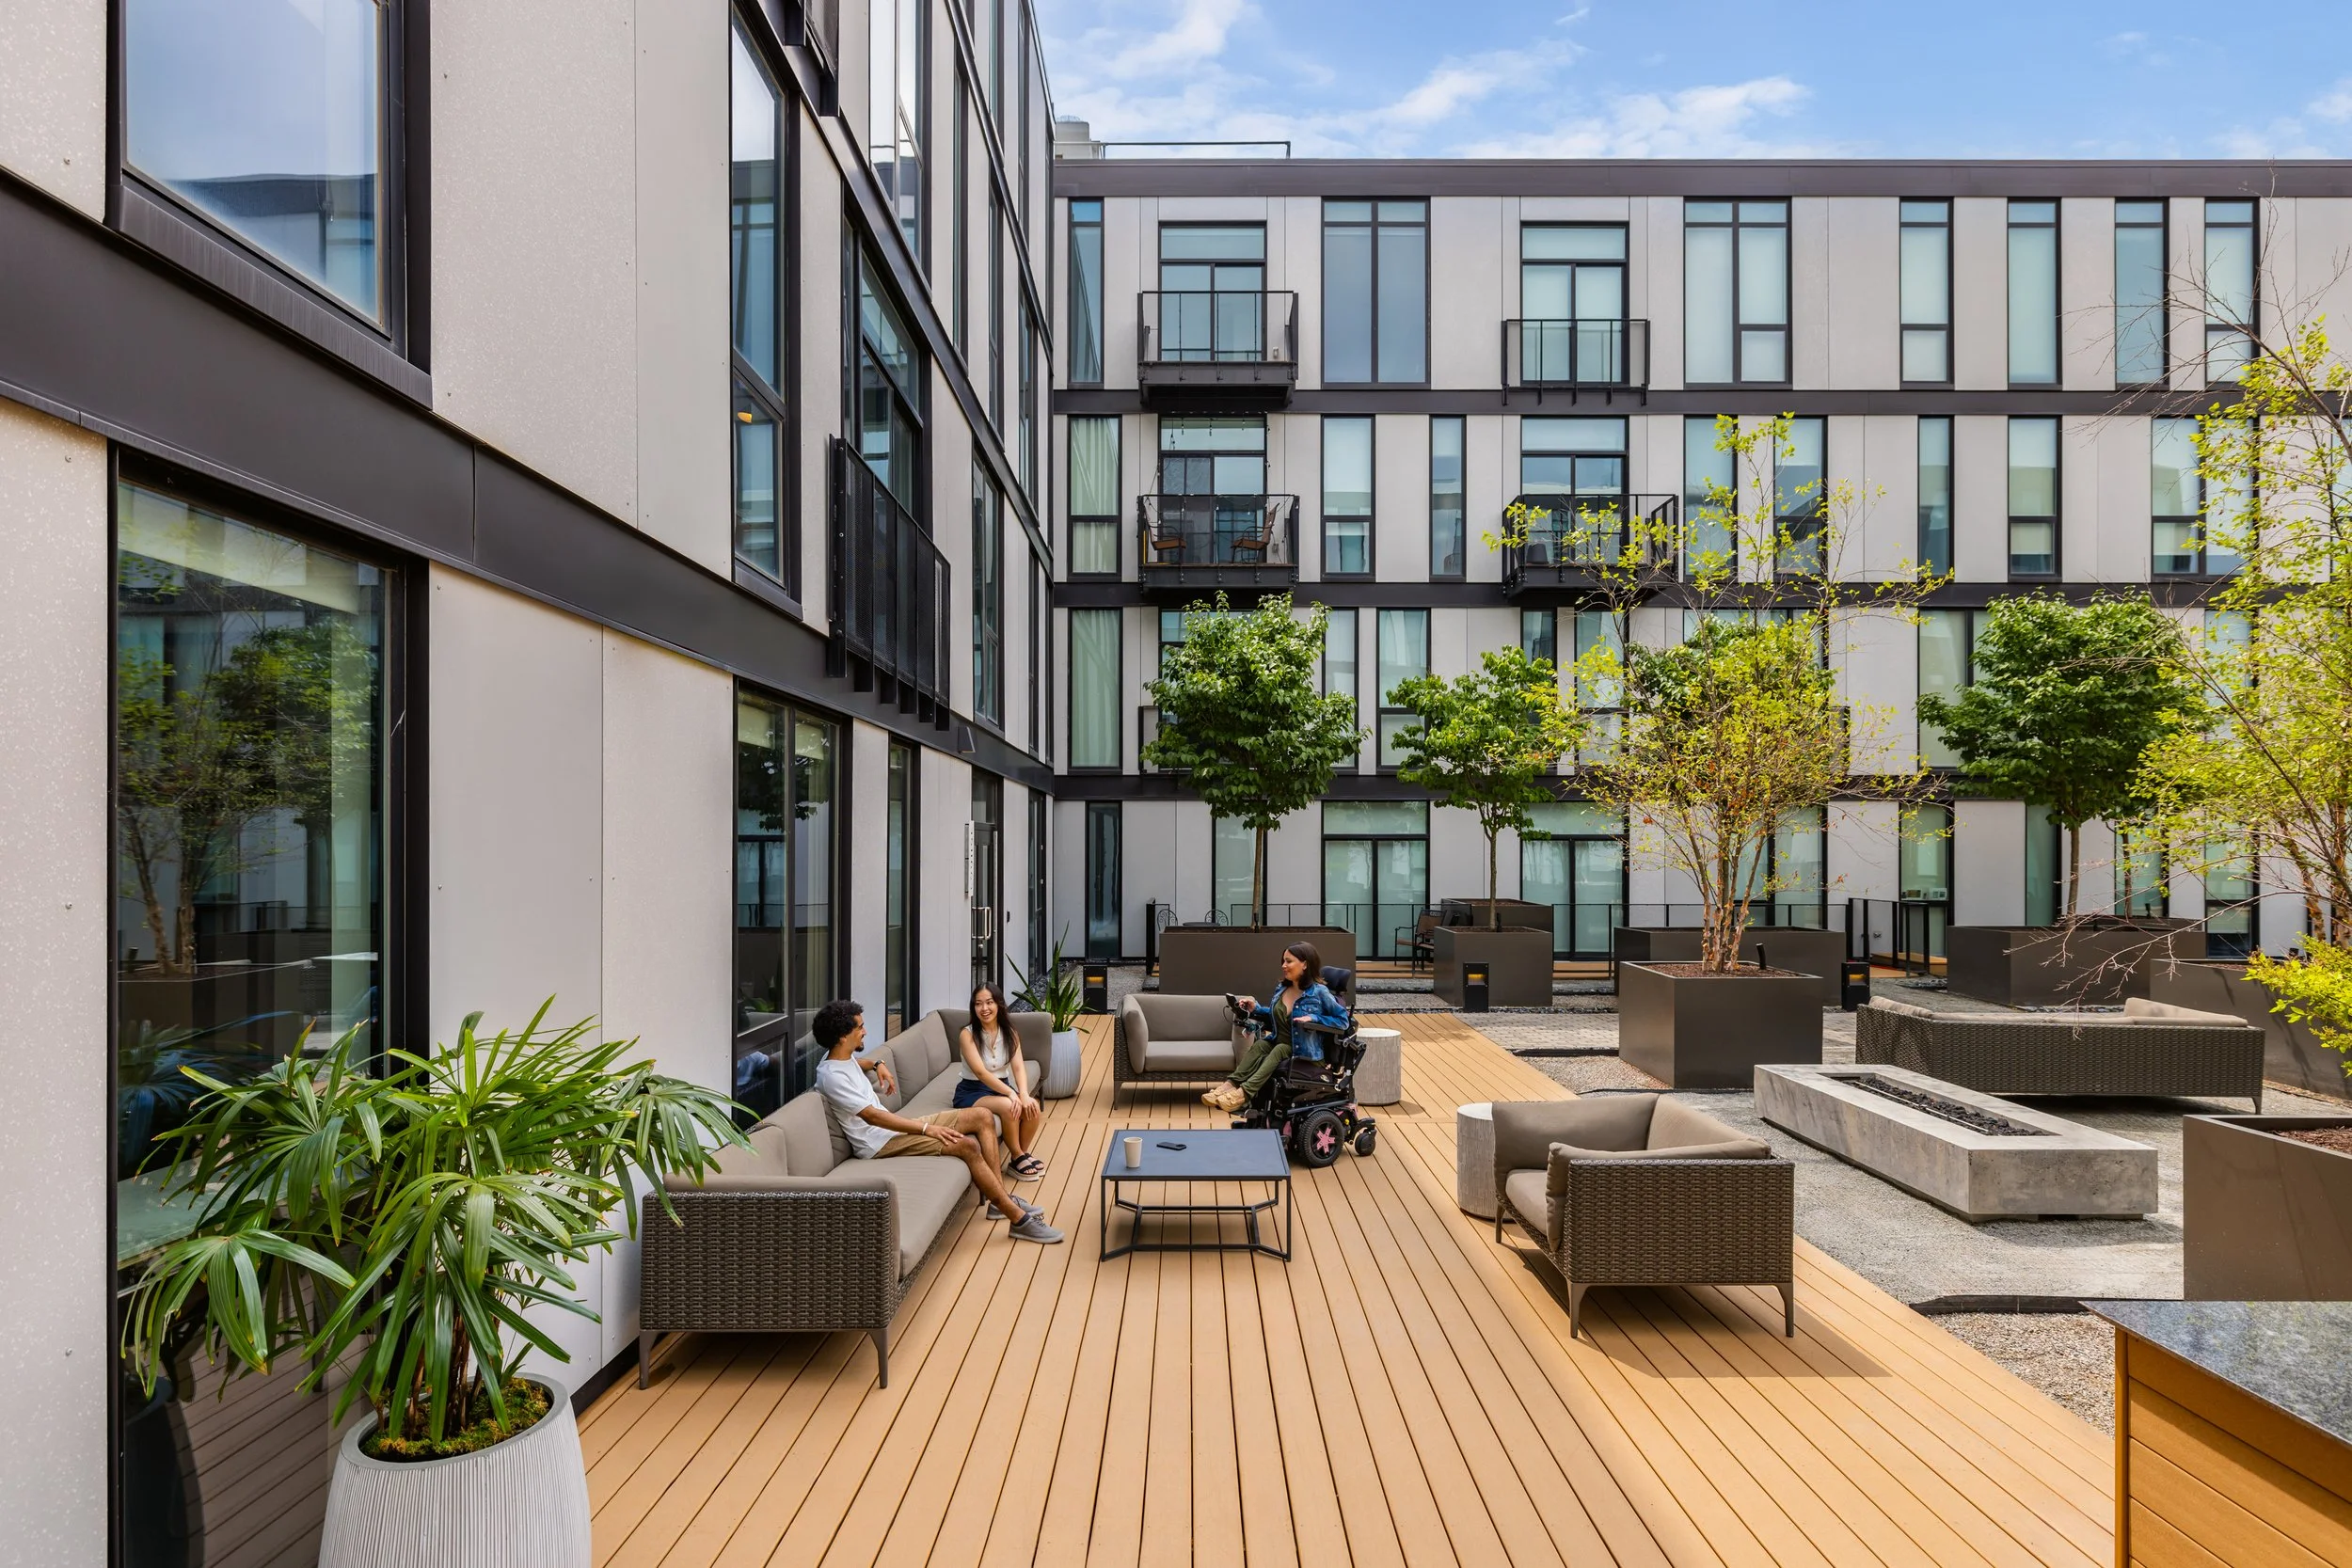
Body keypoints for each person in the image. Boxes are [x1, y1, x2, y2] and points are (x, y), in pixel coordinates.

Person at [810, 999, 1063, 1244]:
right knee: (967, 1146)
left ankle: (999, 1201)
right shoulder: (832, 1077)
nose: (865, 1031)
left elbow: (856, 1063)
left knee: (982, 1116)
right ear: (843, 1037)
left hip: (891, 1130)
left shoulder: (839, 1057)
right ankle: (1019, 1220)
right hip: (878, 1143)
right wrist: (927, 1129)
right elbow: (872, 1116)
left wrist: (877, 1064)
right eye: (860, 1027)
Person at [1203, 942, 1350, 1113]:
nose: (1283, 965)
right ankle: (1229, 1085)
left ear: (1305, 964)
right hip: (1279, 1043)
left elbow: (1343, 1021)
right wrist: (1255, 1009)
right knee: (1261, 1044)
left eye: (1289, 961)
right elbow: (1278, 1017)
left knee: (1280, 1049)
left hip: (1305, 1053)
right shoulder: (1282, 989)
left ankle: (1243, 1094)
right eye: (1283, 961)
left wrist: (1314, 1017)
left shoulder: (1319, 992)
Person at [954, 982, 1045, 1180]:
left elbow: (1018, 1067)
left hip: (1002, 1086)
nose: (984, 1009)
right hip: (972, 1090)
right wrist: (1011, 1093)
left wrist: (1023, 1093)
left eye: (989, 1002)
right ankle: (1017, 1155)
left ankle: (1021, 1154)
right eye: (978, 1004)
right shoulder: (967, 1034)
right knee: (1009, 1105)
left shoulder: (1010, 1033)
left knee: (1032, 1107)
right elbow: (980, 1072)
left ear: (999, 1004)